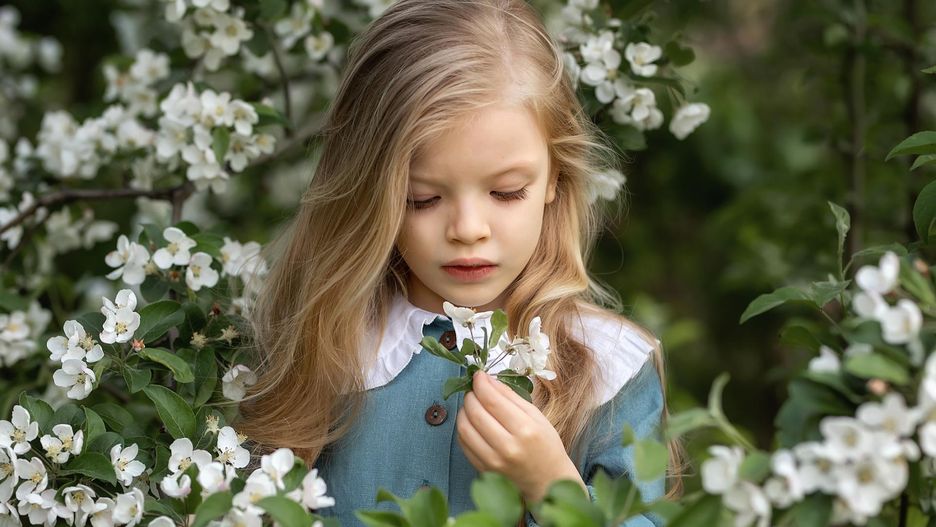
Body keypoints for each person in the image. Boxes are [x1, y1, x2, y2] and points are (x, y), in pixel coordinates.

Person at [235, 0, 683, 525]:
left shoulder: (604, 367)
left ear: (555, 179)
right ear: (368, 193)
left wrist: (553, 490)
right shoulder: (329, 340)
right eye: (423, 197)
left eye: (507, 192)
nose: (468, 228)